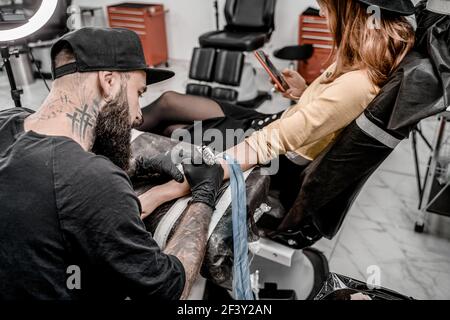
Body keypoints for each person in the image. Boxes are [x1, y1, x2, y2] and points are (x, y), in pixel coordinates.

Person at [136, 0, 416, 246]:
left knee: (174, 132)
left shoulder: (357, 84)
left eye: (326, 6)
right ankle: (111, 131)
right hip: (271, 122)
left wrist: (166, 191)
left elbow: (270, 143)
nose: (320, 12)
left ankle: (111, 147)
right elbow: (332, 114)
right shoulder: (364, 61)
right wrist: (305, 92)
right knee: (170, 100)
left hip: (273, 154)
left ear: (350, 11)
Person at [0, 27, 224, 300]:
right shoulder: (92, 180)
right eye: (138, 94)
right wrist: (203, 197)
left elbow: (54, 193)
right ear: (108, 81)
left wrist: (135, 163)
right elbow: (171, 289)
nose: (139, 115)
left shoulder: (8, 121)